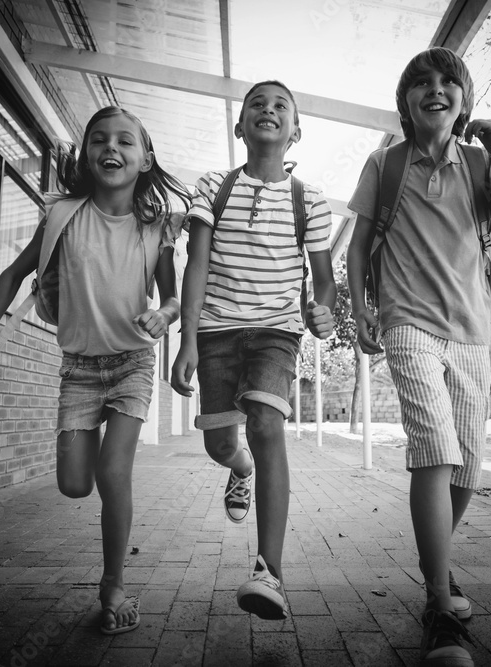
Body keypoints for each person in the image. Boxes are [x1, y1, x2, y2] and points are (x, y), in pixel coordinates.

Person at [346, 48, 491, 666]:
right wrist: (361, 308)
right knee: (434, 447)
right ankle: (440, 603)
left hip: (471, 332)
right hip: (408, 322)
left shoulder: (480, 165)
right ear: (406, 103)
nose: (435, 89)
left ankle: (437, 564)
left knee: (467, 466)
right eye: (421, 83)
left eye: (448, 82)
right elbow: (358, 246)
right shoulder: (384, 165)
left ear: (463, 99)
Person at [0, 106, 190, 635]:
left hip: (132, 361)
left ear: (145, 157)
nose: (112, 148)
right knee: (73, 485)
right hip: (79, 370)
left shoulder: (155, 228)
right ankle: (109, 564)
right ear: (86, 154)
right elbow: (14, 273)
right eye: (99, 140)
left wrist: (163, 314)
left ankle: (113, 584)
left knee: (114, 474)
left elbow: (174, 298)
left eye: (125, 141)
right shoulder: (62, 215)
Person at [170, 81, 336, 620]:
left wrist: (323, 309)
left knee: (265, 423)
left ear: (295, 132)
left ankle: (270, 572)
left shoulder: (309, 199)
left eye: (281, 105)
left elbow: (324, 280)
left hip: (276, 332)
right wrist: (188, 339)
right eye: (256, 105)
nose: (269, 110)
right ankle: (238, 469)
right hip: (216, 331)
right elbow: (195, 266)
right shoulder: (213, 186)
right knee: (221, 444)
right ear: (240, 127)